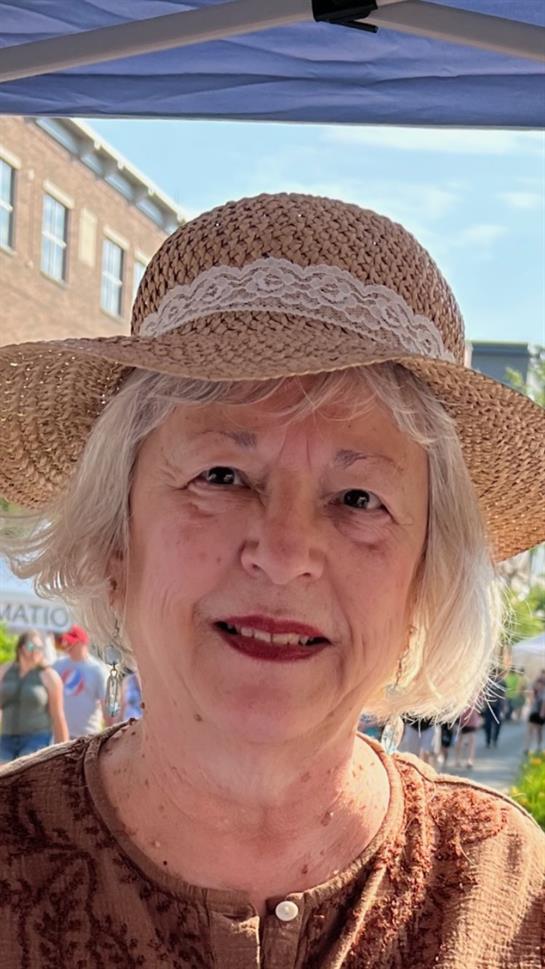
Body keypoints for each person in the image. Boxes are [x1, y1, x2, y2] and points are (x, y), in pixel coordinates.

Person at [0, 193, 543, 967]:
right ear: (117, 538)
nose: (285, 553)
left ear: (422, 579)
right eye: (222, 474)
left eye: (359, 498)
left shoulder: (505, 886)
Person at [0, 629, 68, 762]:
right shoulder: (5, 671)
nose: (36, 650)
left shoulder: (49, 676)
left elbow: (58, 715)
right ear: (20, 648)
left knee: (25, 771)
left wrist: (64, 752)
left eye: (39, 647)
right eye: (32, 646)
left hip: (36, 738)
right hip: (7, 736)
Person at [53, 625, 110, 738]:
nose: (66, 646)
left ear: (82, 642)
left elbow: (106, 706)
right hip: (60, 737)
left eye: (70, 642)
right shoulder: (57, 666)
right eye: (65, 642)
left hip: (88, 736)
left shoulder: (98, 670)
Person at [482, 668, 507, 749]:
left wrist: (504, 706)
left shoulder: (502, 682)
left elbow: (504, 695)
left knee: (498, 723)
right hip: (488, 706)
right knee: (487, 724)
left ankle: (495, 739)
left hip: (498, 706)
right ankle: (488, 740)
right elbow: (483, 693)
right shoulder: (487, 682)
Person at [525, 674, 545, 754]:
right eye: (537, 684)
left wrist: (542, 713)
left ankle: (538, 746)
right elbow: (531, 701)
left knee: (539, 731)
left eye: (540, 684)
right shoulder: (534, 692)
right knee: (529, 731)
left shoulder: (543, 693)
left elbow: (544, 704)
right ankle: (527, 747)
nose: (538, 685)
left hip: (540, 714)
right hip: (533, 713)